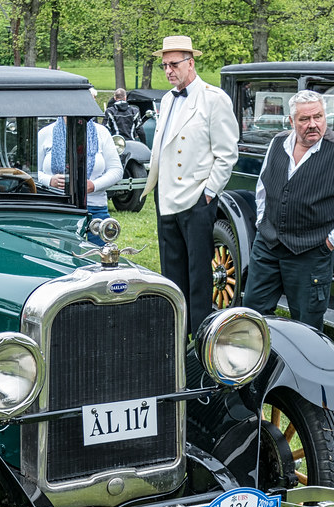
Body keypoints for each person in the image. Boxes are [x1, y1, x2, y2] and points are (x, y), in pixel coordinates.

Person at [241, 90, 334, 331]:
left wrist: (329, 242)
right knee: (252, 310)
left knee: (306, 323)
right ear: (292, 121)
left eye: (318, 117)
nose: (313, 124)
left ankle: (308, 369)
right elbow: (263, 186)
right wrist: (263, 222)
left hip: (310, 252)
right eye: (304, 119)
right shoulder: (278, 142)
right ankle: (259, 365)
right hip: (268, 245)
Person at [142, 35, 239, 336]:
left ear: (190, 63)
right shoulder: (168, 99)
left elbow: (227, 153)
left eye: (174, 64)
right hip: (167, 195)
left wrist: (209, 193)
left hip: (197, 198)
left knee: (198, 276)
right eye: (164, 66)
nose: (169, 71)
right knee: (171, 273)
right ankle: (175, 333)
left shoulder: (214, 99)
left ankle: (200, 337)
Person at [38, 116, 122, 246]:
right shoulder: (45, 133)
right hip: (55, 207)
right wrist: (50, 181)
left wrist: (93, 185)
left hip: (95, 208)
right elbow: (31, 172)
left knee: (101, 257)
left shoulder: (101, 132)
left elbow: (116, 170)